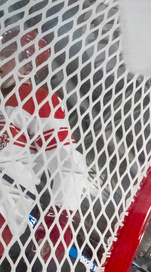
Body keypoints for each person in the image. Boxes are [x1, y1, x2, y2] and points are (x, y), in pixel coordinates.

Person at [0, 27, 89, 256]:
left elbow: (67, 163)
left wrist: (60, 216)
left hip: (4, 199)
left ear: (27, 67)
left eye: (6, 54)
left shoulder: (38, 99)